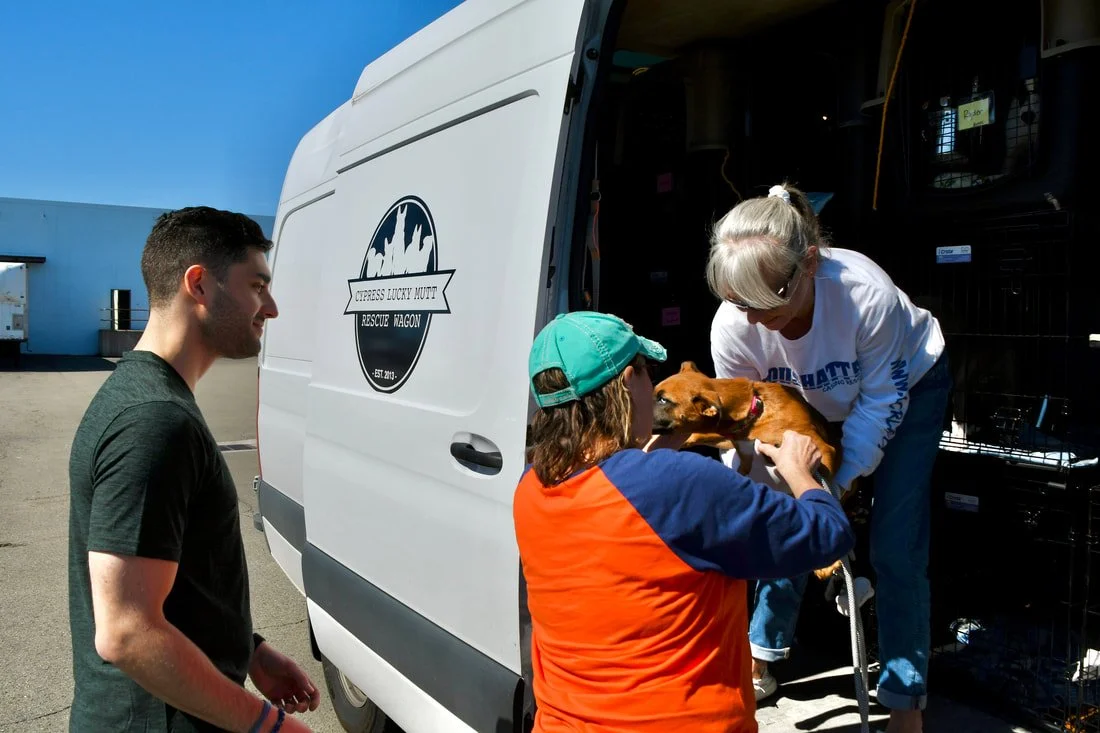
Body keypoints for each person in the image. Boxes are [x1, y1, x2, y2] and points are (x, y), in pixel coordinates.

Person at [514, 310, 856, 732]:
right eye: (647, 374)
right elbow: (826, 535)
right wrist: (800, 471)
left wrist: (650, 455)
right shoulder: (683, 485)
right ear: (627, 383)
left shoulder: (530, 489)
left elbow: (622, 511)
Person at [705, 183, 951, 733]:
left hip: (908, 385)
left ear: (809, 264)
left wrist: (825, 491)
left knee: (895, 540)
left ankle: (905, 701)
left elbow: (883, 402)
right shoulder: (734, 326)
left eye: (765, 303)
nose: (752, 320)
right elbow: (746, 423)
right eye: (738, 302)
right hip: (802, 401)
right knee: (784, 521)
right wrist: (760, 485)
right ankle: (762, 655)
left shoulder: (864, 295)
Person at [67, 207, 319, 733]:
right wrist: (266, 725)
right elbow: (127, 631)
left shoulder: (153, 401)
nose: (270, 308)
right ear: (199, 285)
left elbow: (172, 581)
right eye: (257, 286)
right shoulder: (154, 421)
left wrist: (250, 651)